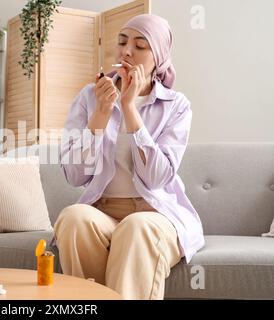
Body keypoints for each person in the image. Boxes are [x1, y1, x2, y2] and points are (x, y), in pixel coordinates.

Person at [54, 14, 205, 300]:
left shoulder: (177, 105)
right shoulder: (90, 97)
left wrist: (129, 109)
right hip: (103, 210)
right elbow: (75, 175)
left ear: (158, 55)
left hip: (155, 213)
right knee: (73, 218)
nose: (126, 51)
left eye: (140, 45)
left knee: (137, 228)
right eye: (122, 42)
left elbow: (158, 177)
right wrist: (100, 113)